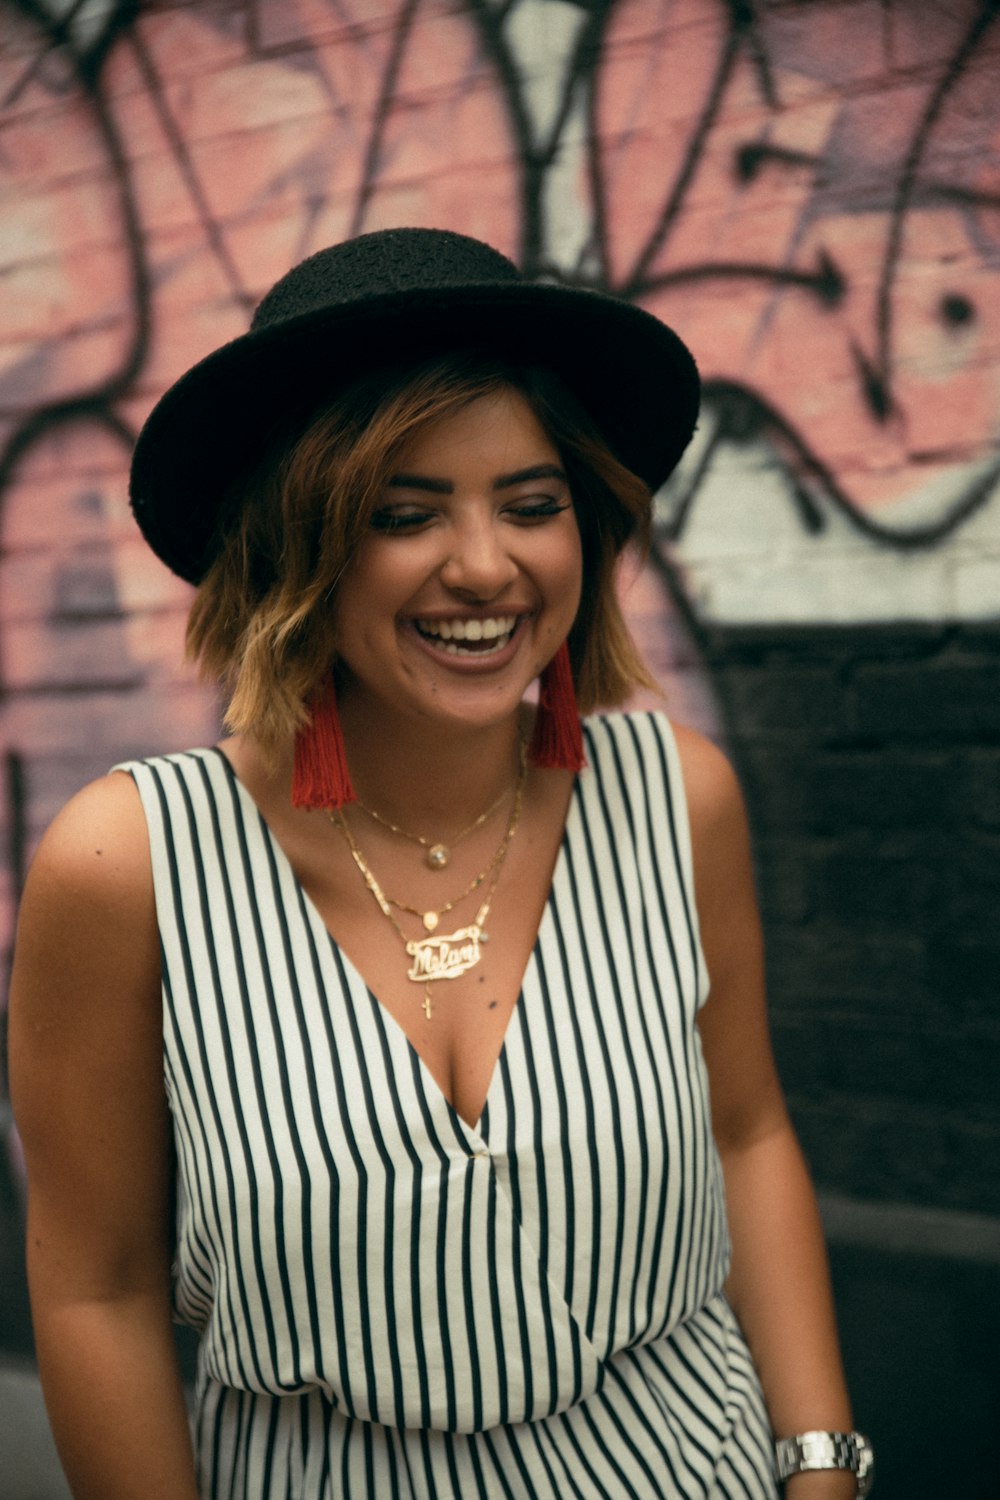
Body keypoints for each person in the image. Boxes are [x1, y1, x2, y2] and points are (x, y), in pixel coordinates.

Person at [8, 228, 873, 1500]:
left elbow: (744, 1131)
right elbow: (101, 1288)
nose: (485, 565)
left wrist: (818, 1467)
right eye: (402, 515)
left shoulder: (674, 797)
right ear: (290, 550)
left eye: (532, 505)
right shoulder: (127, 864)